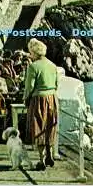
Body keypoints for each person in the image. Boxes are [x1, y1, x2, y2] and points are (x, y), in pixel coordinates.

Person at [23, 38, 60, 171]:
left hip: (39, 99)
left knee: (39, 127)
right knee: (50, 126)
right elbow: (57, 84)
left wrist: (26, 99)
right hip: (52, 98)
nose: (29, 55)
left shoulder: (33, 67)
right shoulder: (52, 65)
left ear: (34, 52)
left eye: (30, 52)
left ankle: (41, 159)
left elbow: (29, 87)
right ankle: (50, 155)